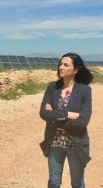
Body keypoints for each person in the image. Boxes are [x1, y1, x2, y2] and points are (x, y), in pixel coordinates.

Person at [39, 53, 93, 188]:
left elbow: (83, 121)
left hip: (75, 142)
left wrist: (55, 115)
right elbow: (43, 113)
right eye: (60, 64)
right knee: (54, 182)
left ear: (75, 69)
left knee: (77, 183)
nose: (61, 67)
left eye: (66, 65)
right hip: (54, 141)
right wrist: (68, 114)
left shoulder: (84, 90)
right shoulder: (52, 87)